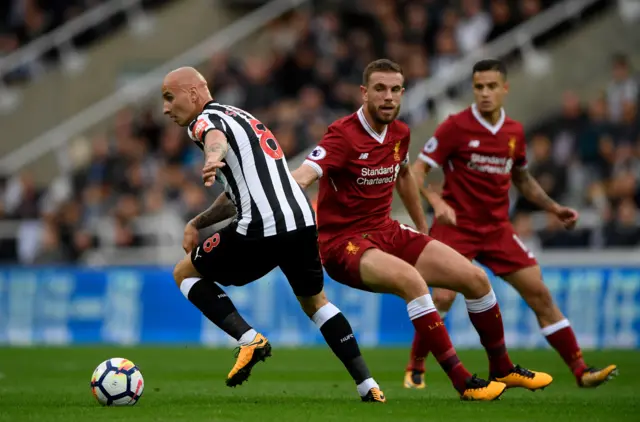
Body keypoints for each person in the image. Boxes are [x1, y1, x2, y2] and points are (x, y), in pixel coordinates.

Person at [291, 58, 552, 401]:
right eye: (380, 89)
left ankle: (501, 367)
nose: (388, 97)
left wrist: (423, 227)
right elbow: (304, 175)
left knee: (476, 280)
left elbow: (404, 176)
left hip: (386, 231)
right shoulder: (342, 135)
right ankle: (463, 383)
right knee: (414, 283)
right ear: (364, 93)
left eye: (395, 89)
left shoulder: (400, 132)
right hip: (343, 244)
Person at [162, 67, 385, 402]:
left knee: (184, 273)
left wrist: (211, 157)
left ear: (194, 93)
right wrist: (198, 222)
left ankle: (249, 339)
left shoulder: (203, 120)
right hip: (302, 221)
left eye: (169, 97)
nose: (165, 108)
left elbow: (214, 139)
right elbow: (237, 191)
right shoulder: (244, 116)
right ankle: (368, 386)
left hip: (261, 227)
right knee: (316, 303)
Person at [407, 58, 618, 389]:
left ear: (505, 88)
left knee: (540, 294)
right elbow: (416, 171)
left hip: (497, 229)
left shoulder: (514, 132)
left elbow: (522, 178)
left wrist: (553, 206)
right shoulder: (455, 126)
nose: (485, 93)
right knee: (444, 296)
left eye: (492, 86)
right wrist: (435, 201)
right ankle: (416, 366)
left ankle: (581, 370)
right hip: (457, 227)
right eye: (479, 87)